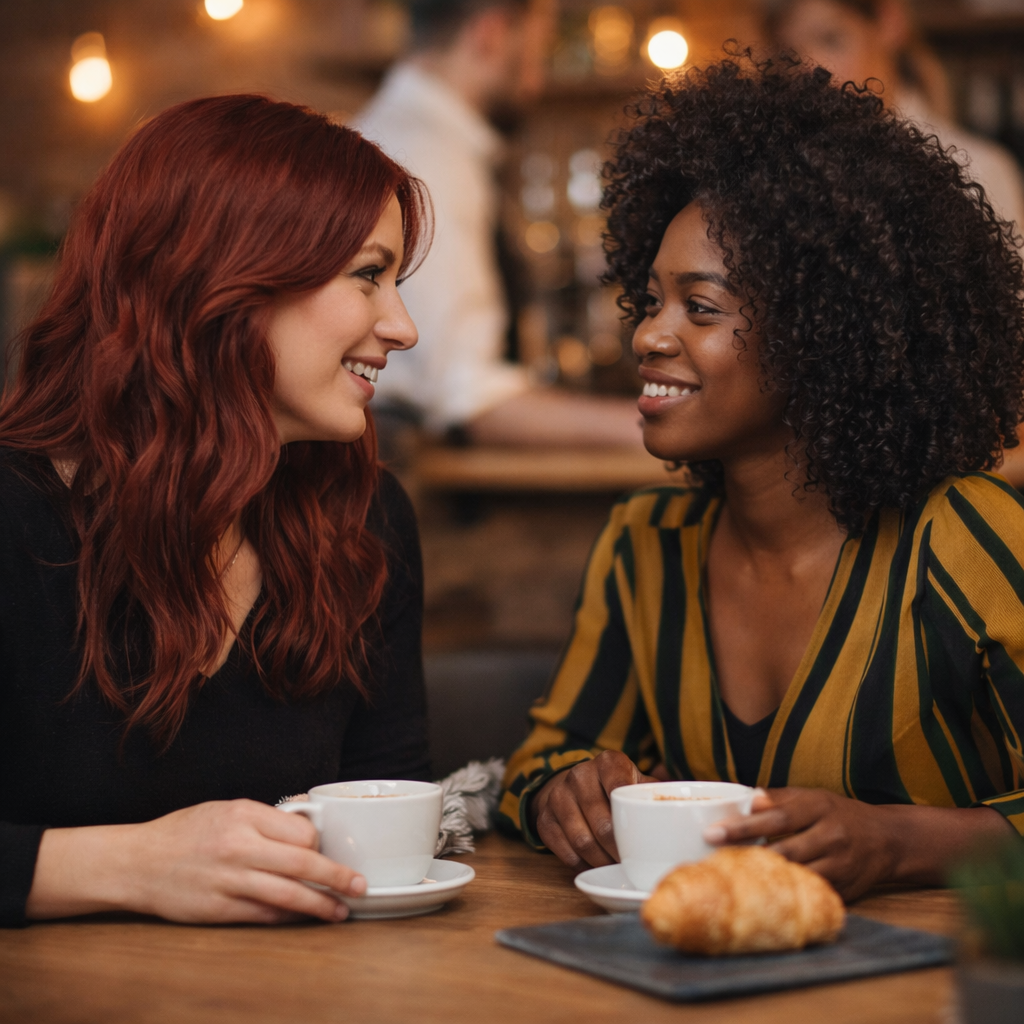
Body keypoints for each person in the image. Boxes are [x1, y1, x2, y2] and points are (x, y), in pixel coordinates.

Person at [499, 54, 1024, 901]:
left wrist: (902, 842)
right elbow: (542, 759)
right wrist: (566, 795)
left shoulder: (963, 538)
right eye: (651, 299)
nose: (648, 336)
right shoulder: (647, 545)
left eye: (700, 308)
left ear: (826, 334)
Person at [0, 95, 432, 926]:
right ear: (227, 279)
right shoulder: (15, 517)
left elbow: (398, 812)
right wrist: (129, 866)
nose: (402, 327)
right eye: (368, 275)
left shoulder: (365, 517)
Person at [354, 0, 644, 450]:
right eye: (537, 49)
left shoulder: (414, 140)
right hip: (403, 479)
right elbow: (464, 394)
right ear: (489, 34)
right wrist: (652, 425)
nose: (538, 79)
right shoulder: (426, 159)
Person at [768, 0, 1024, 488]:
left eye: (829, 40)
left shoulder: (977, 172)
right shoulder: (784, 179)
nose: (810, 70)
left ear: (888, 22)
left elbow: (1009, 357)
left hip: (937, 474)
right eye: (788, 54)